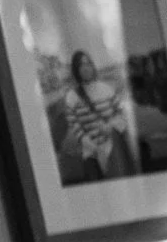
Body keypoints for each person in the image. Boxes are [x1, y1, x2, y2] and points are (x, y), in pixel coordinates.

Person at [58, 49, 136, 182]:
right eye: (81, 65)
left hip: (113, 149)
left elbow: (121, 114)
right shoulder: (72, 97)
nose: (86, 68)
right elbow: (76, 128)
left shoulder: (106, 89)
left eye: (88, 63)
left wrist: (110, 126)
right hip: (91, 155)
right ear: (76, 70)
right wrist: (95, 149)